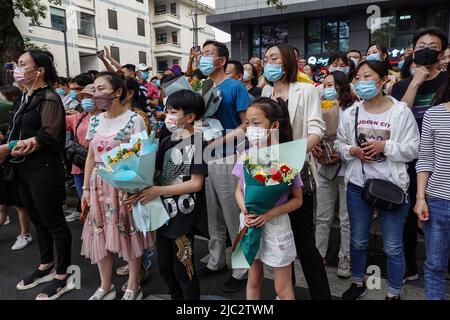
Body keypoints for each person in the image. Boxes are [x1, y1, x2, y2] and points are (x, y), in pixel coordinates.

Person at [336, 60, 420, 300]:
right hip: (358, 186)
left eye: (367, 77)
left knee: (393, 246)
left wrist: (386, 146)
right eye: (358, 78)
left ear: (383, 80)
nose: (361, 82)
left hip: (393, 187)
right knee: (358, 240)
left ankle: (393, 293)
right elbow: (340, 144)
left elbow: (413, 149)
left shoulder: (400, 111)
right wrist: (352, 151)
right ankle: (357, 282)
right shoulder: (352, 112)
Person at [261, 43, 330, 300]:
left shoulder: (306, 90)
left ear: (288, 61)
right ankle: (285, 293)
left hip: (297, 172)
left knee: (304, 244)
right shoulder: (265, 91)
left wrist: (294, 155)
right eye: (266, 58)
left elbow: (316, 130)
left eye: (274, 57)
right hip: (270, 173)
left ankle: (320, 295)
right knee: (281, 241)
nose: (269, 62)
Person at [127, 89, 208, 300]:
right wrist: (135, 188)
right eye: (167, 110)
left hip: (183, 217)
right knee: (165, 268)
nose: (168, 116)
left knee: (184, 270)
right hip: (162, 215)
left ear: (190, 117)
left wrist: (157, 190)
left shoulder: (199, 143)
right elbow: (154, 173)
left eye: (174, 111)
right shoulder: (166, 140)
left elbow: (196, 184)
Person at [6, 49, 73, 300]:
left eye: (23, 64)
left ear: (40, 70)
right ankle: (46, 264)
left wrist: (10, 147)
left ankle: (62, 274)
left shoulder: (49, 98)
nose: (17, 69)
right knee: (37, 219)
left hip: (44, 170)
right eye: (17, 64)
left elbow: (49, 135)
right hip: (22, 168)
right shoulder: (24, 97)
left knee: (54, 221)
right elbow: (15, 130)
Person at [81, 72, 152, 300]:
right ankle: (105, 285)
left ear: (118, 91)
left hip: (124, 185)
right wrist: (85, 189)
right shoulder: (94, 120)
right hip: (98, 186)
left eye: (102, 89)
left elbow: (143, 157)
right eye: (95, 89)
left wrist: (136, 188)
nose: (97, 94)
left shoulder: (135, 120)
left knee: (128, 234)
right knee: (99, 234)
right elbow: (91, 157)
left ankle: (133, 285)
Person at [391, 27, 449, 283]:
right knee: (405, 216)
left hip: (441, 161)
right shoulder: (402, 85)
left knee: (438, 217)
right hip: (408, 159)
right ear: (413, 50)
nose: (427, 50)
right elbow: (397, 118)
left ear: (443, 52)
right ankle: (409, 266)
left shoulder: (448, 81)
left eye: (434, 46)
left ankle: (441, 267)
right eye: (422, 45)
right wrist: (415, 82)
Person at [233, 97, 303, 300]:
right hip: (248, 222)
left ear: (274, 125)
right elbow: (239, 190)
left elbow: (297, 200)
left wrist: (270, 213)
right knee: (253, 279)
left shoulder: (287, 158)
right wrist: (245, 211)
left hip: (276, 225)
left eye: (257, 123)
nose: (250, 128)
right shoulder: (245, 155)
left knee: (283, 288)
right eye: (247, 123)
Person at [196, 40, 251, 293]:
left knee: (232, 214)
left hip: (229, 156)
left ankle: (241, 269)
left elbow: (246, 124)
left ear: (222, 60)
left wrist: (222, 139)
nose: (203, 58)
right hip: (207, 155)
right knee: (213, 214)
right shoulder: (205, 86)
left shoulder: (236, 86)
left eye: (209, 54)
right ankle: (216, 259)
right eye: (202, 54)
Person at [312, 71, 354, 278]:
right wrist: (315, 147)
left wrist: (342, 152)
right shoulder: (319, 107)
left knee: (346, 219)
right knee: (322, 216)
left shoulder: (354, 109)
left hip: (346, 169)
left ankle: (344, 258)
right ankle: (318, 254)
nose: (327, 88)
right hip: (323, 167)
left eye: (331, 85)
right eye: (325, 84)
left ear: (342, 86)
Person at [414, 71, 450, 300]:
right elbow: (425, 158)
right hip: (437, 200)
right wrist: (420, 198)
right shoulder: (434, 114)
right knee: (435, 264)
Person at [0, 85, 32, 251]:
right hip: (7, 163)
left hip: (14, 163)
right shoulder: (12, 112)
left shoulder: (20, 111)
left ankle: (25, 234)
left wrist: (7, 142)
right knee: (3, 204)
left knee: (19, 204)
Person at [64, 84, 101, 223]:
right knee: (86, 204)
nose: (86, 100)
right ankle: (92, 232)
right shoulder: (77, 118)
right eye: (84, 97)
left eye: (89, 96)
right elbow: (56, 119)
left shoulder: (107, 118)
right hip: (79, 167)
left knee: (102, 207)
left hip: (100, 169)